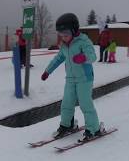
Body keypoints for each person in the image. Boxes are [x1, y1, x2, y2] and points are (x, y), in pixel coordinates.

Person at [40, 13, 104, 141]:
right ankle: (67, 125)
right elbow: (58, 59)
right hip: (70, 79)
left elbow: (93, 56)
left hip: (84, 78)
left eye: (66, 34)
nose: (64, 38)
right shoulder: (64, 45)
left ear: (74, 31)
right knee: (66, 103)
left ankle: (94, 128)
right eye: (61, 35)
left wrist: (83, 57)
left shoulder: (83, 41)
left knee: (85, 104)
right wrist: (48, 71)